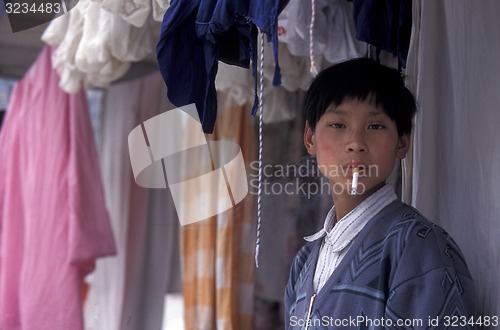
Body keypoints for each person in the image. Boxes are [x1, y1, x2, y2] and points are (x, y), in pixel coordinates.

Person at [284, 58, 476, 329]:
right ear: (310, 138)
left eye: (375, 126)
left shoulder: (418, 249)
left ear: (403, 141)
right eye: (338, 124)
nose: (355, 143)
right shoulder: (304, 261)